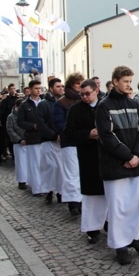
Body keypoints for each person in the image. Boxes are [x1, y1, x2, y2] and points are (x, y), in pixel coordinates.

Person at [96, 66, 139, 265]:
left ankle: (134, 237)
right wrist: (127, 156)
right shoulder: (104, 106)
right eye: (126, 81)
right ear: (115, 81)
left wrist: (136, 154)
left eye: (130, 81)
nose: (129, 85)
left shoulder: (134, 104)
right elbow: (106, 136)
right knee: (118, 207)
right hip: (115, 164)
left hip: (135, 162)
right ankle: (120, 245)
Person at [64, 79, 108, 244]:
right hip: (87, 157)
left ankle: (109, 223)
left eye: (87, 94)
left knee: (108, 193)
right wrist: (87, 135)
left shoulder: (105, 106)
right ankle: (92, 228)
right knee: (91, 195)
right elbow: (68, 133)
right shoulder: (75, 110)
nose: (84, 97)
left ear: (96, 91)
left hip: (106, 156)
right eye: (81, 94)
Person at [53, 73, 84, 216]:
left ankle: (83, 200)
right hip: (70, 142)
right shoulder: (61, 103)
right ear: (72, 85)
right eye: (78, 84)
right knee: (72, 173)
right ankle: (74, 202)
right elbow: (59, 125)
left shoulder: (84, 100)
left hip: (84, 142)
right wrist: (74, 132)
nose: (80, 87)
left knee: (83, 172)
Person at [36, 78, 65, 204]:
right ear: (51, 88)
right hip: (48, 140)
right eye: (58, 86)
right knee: (50, 167)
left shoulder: (65, 102)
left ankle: (60, 192)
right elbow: (41, 123)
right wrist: (54, 135)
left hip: (62, 142)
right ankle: (48, 191)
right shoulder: (43, 104)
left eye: (62, 86)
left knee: (61, 169)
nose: (61, 88)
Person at [17, 80, 43, 194]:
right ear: (31, 89)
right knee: (35, 164)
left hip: (44, 137)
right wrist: (33, 126)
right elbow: (20, 122)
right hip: (32, 137)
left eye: (39, 88)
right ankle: (37, 188)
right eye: (36, 88)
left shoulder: (44, 103)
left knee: (45, 164)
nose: (38, 90)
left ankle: (46, 187)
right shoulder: (24, 105)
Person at [7, 98, 28, 190]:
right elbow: (10, 129)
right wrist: (19, 139)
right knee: (21, 163)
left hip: (28, 141)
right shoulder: (11, 117)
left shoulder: (26, 115)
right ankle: (21, 181)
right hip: (18, 142)